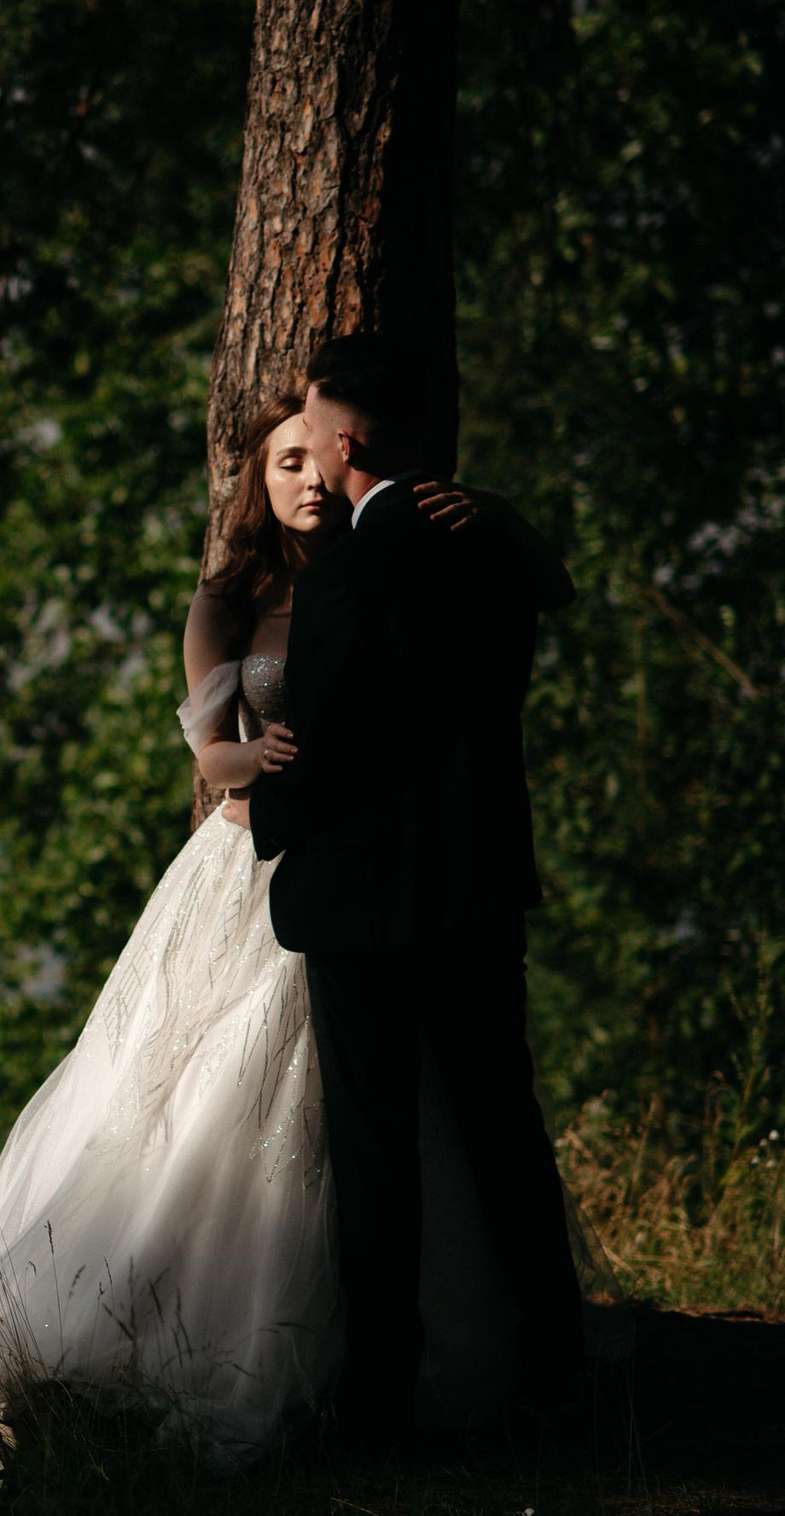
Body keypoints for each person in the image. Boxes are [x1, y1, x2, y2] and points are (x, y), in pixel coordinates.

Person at [0, 397, 529, 1516]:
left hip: (345, 871)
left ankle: (376, 1353)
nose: (304, 478)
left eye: (318, 457)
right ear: (255, 479)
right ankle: (193, 1327)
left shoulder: (384, 569)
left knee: (349, 1115)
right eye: (282, 462)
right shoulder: (228, 596)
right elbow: (209, 752)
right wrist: (266, 758)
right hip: (237, 875)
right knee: (196, 1104)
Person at [251, 333, 586, 1445]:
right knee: (503, 1128)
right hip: (479, 881)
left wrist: (268, 833)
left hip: (362, 904)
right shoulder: (486, 546)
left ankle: (382, 1400)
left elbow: (321, 741)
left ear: (344, 441)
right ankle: (557, 1365)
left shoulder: (348, 568)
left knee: (375, 1152)